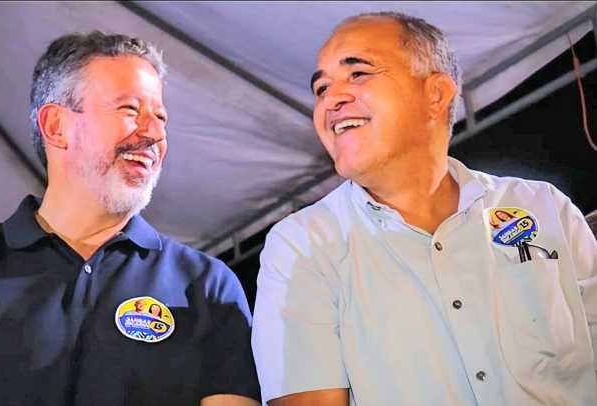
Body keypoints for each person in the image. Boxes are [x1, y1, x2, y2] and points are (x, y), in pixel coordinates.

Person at [251, 11, 597, 406]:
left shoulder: (543, 207)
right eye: (321, 88)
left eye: (358, 73)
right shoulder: (301, 245)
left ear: (436, 94)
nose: (330, 99)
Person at [0, 31, 260, 406]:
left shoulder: (207, 285)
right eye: (130, 110)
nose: (155, 133)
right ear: (56, 125)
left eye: (161, 117)